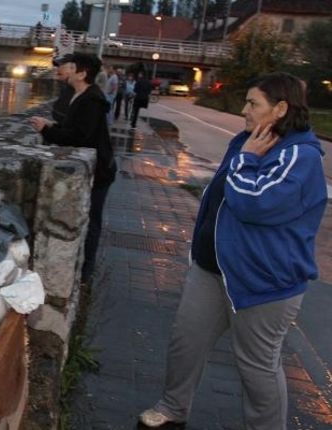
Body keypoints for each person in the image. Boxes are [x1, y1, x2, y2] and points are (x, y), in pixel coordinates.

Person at [138, 72, 327, 430]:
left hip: (263, 283)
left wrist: (246, 160)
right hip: (212, 269)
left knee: (257, 368)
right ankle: (173, 407)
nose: (244, 110)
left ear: (281, 108)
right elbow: (221, 198)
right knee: (186, 342)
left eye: (253, 103)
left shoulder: (299, 156)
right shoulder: (249, 140)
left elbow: (254, 203)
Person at [30, 53, 116, 285]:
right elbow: (73, 127)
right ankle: (83, 266)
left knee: (92, 219)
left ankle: (86, 271)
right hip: (96, 166)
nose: (64, 69)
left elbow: (81, 136)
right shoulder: (78, 95)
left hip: (100, 170)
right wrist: (53, 125)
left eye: (69, 66)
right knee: (87, 217)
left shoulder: (91, 99)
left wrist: (46, 131)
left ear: (81, 73)